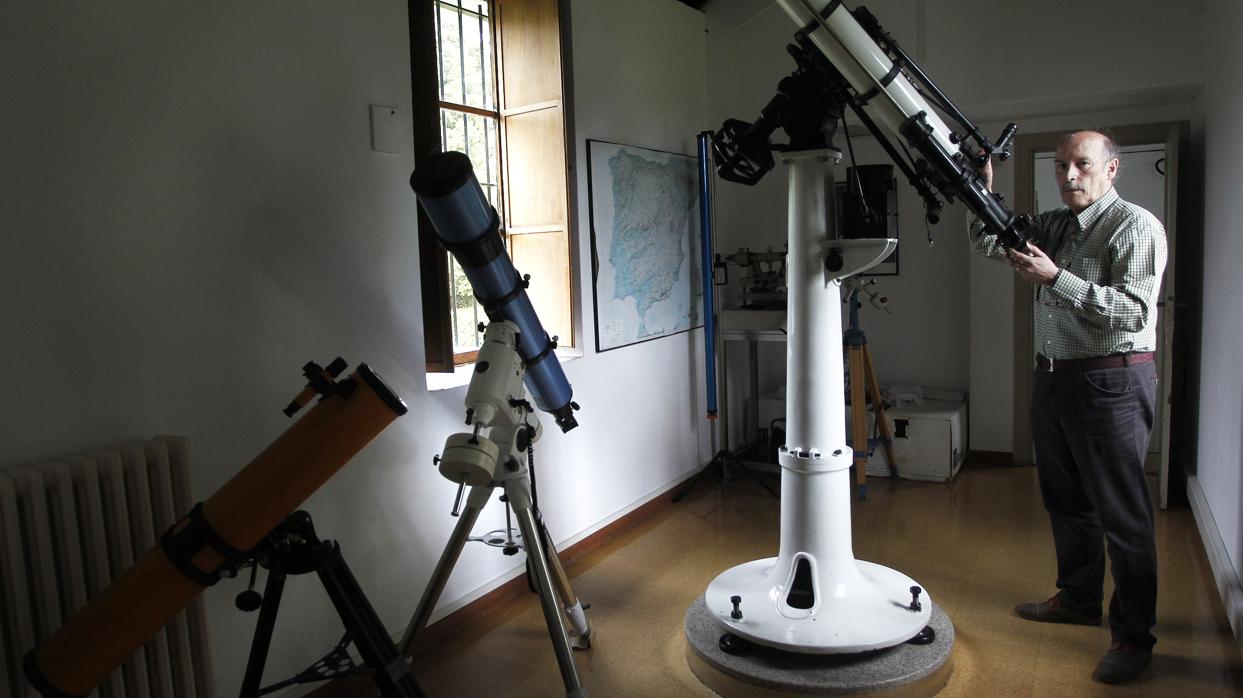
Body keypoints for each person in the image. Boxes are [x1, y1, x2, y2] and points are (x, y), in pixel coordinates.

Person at [968, 130, 1167, 684]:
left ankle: (1133, 637)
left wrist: (1058, 279)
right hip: (1053, 379)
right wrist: (981, 186)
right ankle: (1078, 598)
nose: (1069, 176)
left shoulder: (1136, 225)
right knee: (1066, 500)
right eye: (1061, 167)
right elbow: (990, 243)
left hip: (1112, 384)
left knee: (1123, 516)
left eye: (1082, 165)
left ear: (1112, 169)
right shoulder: (1053, 225)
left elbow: (1132, 312)